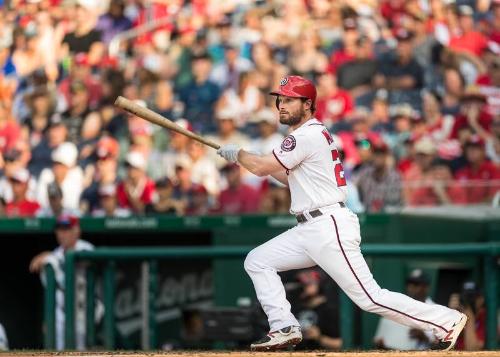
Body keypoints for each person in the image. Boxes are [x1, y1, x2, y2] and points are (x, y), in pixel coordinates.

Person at [216, 75, 467, 351]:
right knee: (258, 260)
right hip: (310, 228)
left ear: (308, 104)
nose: (282, 105)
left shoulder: (306, 135)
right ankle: (284, 325)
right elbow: (287, 178)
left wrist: (240, 155)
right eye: (281, 100)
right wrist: (245, 157)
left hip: (327, 226)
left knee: (370, 298)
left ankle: (446, 320)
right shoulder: (309, 135)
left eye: (289, 100)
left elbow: (263, 167)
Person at [29, 215, 95, 350]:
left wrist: (48, 256)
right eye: (59, 229)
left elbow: (77, 260)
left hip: (82, 312)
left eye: (66, 229)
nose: (61, 234)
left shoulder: (86, 248)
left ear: (77, 230)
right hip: (60, 314)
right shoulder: (56, 253)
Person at [374, 269, 437, 350]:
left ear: (426, 287)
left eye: (416, 284)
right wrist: (382, 345)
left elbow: (442, 345)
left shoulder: (435, 310)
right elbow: (382, 340)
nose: (411, 287)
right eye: (410, 283)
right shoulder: (398, 306)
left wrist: (424, 338)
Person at [294, 269, 342, 350]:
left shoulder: (330, 310)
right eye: (302, 284)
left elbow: (343, 343)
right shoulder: (295, 308)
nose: (304, 285)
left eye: (309, 283)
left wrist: (319, 338)